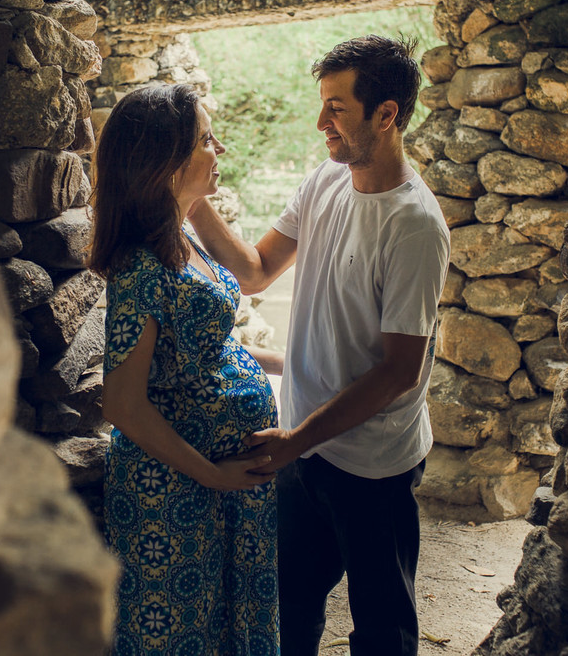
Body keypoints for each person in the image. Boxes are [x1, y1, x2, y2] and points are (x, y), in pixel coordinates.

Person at [187, 35, 450, 656]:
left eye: (337, 108)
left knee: (382, 627)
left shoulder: (413, 225)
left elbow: (397, 373)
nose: (320, 123)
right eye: (322, 105)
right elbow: (254, 272)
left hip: (372, 463)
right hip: (303, 446)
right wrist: (189, 196)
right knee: (289, 606)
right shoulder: (325, 182)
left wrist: (294, 442)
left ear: (387, 114)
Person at [89, 83, 284, 656]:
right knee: (178, 633)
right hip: (174, 492)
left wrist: (293, 362)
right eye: (204, 139)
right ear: (166, 160)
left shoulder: (183, 236)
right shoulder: (139, 268)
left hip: (221, 481)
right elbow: (122, 404)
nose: (217, 147)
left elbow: (206, 349)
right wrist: (212, 474)